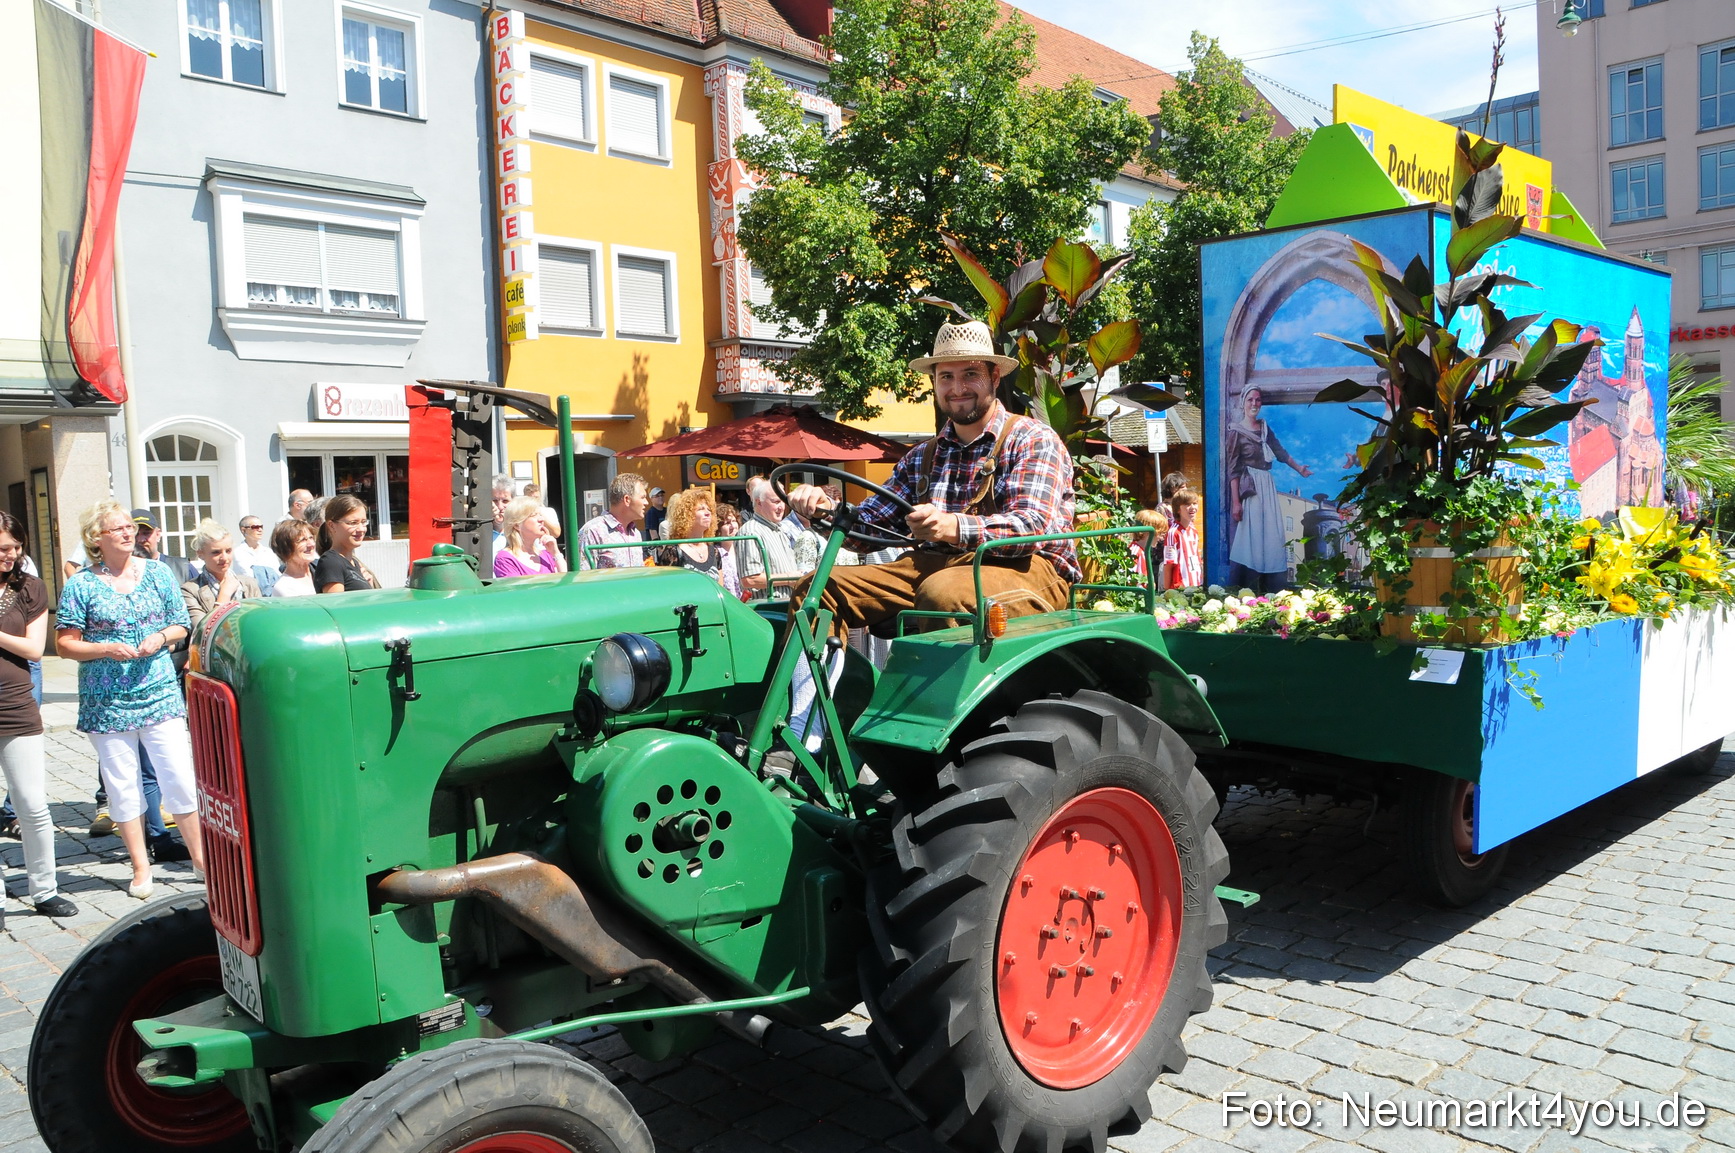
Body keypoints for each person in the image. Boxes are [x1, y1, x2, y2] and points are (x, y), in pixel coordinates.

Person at [786, 320, 1076, 637]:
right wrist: (825, 509)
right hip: (931, 567)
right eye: (946, 377)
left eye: (970, 374)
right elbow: (870, 530)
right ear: (934, 383)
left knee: (943, 593)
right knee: (815, 587)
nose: (957, 388)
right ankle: (818, 685)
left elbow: (1030, 529)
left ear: (993, 377)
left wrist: (952, 526)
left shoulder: (1031, 439)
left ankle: (937, 687)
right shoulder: (922, 456)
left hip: (1027, 571)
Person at [57, 501, 207, 899]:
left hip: (158, 691)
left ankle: (199, 860)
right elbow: (65, 644)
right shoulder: (81, 584)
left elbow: (181, 623)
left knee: (177, 774)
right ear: (96, 539)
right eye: (118, 529)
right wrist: (104, 647)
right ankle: (141, 867)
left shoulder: (157, 573)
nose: (128, 533)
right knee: (123, 786)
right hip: (107, 700)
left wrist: (161, 637)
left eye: (130, 527)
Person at [0, 512, 77, 919]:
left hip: (15, 703)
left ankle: (44, 890)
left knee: (31, 803)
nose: (10, 556)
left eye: (15, 548)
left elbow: (33, 649)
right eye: (2, 549)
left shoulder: (31, 588)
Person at [1227, 386, 1311, 593]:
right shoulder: (1236, 431)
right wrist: (1236, 502)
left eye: (1258, 400)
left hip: (1267, 484)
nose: (1254, 404)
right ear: (1243, 403)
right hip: (1252, 488)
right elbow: (1233, 469)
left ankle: (1271, 586)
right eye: (1250, 400)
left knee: (1271, 534)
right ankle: (1248, 586)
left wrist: (1299, 468)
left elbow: (1280, 451)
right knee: (1252, 535)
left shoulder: (1264, 428)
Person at [738, 475, 815, 598]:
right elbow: (750, 580)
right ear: (759, 502)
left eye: (783, 502)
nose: (781, 507)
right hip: (766, 611)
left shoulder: (779, 530)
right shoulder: (750, 531)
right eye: (776, 502)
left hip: (785, 605)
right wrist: (789, 579)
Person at [182, 519, 263, 634]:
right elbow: (203, 632)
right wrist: (224, 595)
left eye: (228, 551)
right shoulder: (190, 590)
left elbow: (260, 623)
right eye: (216, 552)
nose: (224, 558)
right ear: (200, 554)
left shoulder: (248, 584)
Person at [659, 488, 740, 595]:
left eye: (709, 510)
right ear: (687, 515)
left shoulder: (714, 551)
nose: (707, 513)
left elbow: (720, 592)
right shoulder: (673, 551)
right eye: (701, 509)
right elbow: (667, 591)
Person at [577, 473, 649, 569]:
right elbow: (582, 576)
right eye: (643, 497)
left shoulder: (635, 533)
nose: (646, 502)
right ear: (627, 499)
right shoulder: (593, 531)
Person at [313, 495, 380, 594]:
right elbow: (336, 606)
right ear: (331, 526)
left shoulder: (354, 562)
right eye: (353, 523)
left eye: (364, 522)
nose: (361, 529)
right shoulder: (331, 562)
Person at [494, 498, 569, 578]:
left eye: (540, 515)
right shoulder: (505, 559)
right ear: (517, 525)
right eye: (534, 515)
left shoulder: (546, 554)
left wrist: (555, 553)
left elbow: (566, 582)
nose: (541, 519)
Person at [131, 509, 192, 582]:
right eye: (135, 534)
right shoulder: (118, 573)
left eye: (146, 533)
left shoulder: (183, 568)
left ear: (158, 534)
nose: (141, 540)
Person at [1164, 490, 1203, 589]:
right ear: (1178, 509)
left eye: (1195, 503)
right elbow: (1168, 565)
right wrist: (1166, 592)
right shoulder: (1173, 532)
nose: (1193, 507)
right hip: (1180, 588)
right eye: (1187, 504)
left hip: (1197, 584)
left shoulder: (1193, 530)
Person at [270, 519, 320, 597]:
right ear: (286, 548)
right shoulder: (284, 588)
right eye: (302, 540)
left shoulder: (321, 572)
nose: (311, 544)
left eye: (311, 538)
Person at [232, 515, 277, 594]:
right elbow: (248, 575)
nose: (260, 530)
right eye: (255, 527)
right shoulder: (238, 552)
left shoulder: (268, 552)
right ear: (243, 530)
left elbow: (276, 573)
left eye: (261, 527)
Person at [715, 503, 746, 599]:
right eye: (727, 523)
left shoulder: (743, 549)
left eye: (734, 521)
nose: (733, 526)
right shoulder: (715, 553)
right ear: (718, 528)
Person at [1131, 507, 1170, 582]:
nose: (1161, 538)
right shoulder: (1135, 553)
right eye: (1160, 533)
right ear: (1147, 532)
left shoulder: (1144, 551)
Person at [491, 475, 513, 554]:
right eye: (495, 500)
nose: (500, 507)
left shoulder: (522, 531)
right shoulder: (478, 530)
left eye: (505, 501)